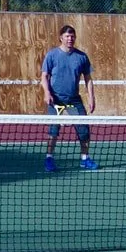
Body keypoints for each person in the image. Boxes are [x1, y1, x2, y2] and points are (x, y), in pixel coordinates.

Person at [40, 24, 97, 172]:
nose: (70, 39)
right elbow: (44, 77)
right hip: (56, 100)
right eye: (67, 36)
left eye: (72, 36)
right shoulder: (52, 55)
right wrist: (47, 92)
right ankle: (49, 158)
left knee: (83, 130)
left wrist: (91, 98)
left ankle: (85, 159)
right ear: (61, 38)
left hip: (74, 101)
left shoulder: (81, 57)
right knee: (53, 130)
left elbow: (88, 79)